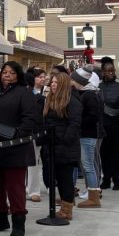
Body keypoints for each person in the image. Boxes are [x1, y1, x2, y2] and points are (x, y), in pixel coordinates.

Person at [0, 61, 40, 236]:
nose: (7, 75)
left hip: (15, 149)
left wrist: (14, 134)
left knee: (15, 189)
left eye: (11, 73)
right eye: (4, 72)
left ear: (18, 75)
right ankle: (0, 220)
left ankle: (18, 224)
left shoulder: (24, 93)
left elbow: (30, 120)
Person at [40, 71, 82, 220]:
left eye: (56, 83)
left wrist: (64, 140)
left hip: (65, 148)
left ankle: (67, 210)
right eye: (52, 82)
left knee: (65, 179)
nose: (53, 85)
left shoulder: (72, 101)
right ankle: (65, 206)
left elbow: (74, 124)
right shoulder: (49, 100)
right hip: (52, 147)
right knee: (58, 178)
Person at [70, 66, 103, 209]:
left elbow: (93, 116)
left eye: (72, 79)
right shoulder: (81, 93)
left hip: (87, 135)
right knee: (81, 165)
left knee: (88, 166)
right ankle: (70, 196)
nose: (70, 81)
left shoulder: (89, 94)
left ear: (79, 81)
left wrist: (78, 122)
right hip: (82, 134)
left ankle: (94, 197)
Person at [98, 59, 119, 190]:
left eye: (112, 71)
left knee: (118, 153)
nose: (111, 73)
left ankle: (117, 180)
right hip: (103, 126)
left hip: (118, 125)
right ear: (103, 72)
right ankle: (105, 179)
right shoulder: (98, 86)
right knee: (103, 153)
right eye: (108, 71)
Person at [25, 67, 46, 202]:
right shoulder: (24, 94)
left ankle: (33, 190)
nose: (43, 79)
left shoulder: (42, 95)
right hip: (23, 132)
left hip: (36, 133)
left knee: (34, 162)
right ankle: (23, 188)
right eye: (39, 77)